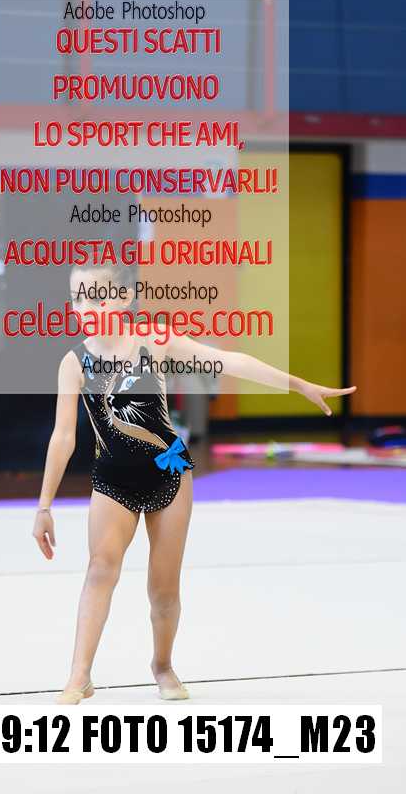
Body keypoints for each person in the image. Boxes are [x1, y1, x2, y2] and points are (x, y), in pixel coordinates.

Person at [33, 260, 356, 704]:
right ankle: (79, 674)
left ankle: (162, 665)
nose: (86, 306)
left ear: (123, 299)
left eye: (97, 296)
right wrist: (44, 507)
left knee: (163, 587)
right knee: (100, 569)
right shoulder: (74, 362)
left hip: (168, 472)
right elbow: (63, 437)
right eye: (77, 298)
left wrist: (297, 384)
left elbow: (228, 361)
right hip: (113, 479)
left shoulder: (154, 341)